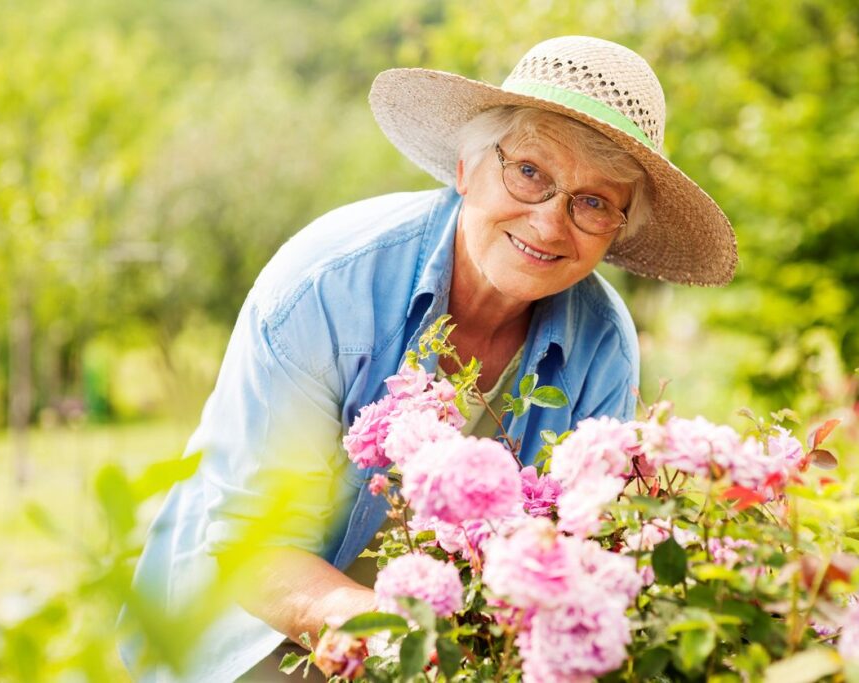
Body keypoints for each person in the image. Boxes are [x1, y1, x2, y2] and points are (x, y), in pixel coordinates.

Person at [120, 35, 736, 682]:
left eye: (593, 202)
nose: (551, 223)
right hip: (247, 632)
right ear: (468, 167)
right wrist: (400, 641)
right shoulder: (330, 286)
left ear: (618, 229)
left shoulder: (603, 346)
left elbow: (575, 556)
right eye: (530, 172)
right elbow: (249, 547)